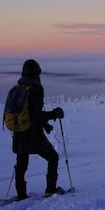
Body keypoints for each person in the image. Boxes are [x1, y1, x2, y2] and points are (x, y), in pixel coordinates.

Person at [12, 59, 65, 200]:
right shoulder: (36, 89)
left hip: (18, 132)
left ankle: (21, 195)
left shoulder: (19, 87)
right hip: (33, 134)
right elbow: (36, 115)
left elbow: (28, 113)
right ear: (36, 73)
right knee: (53, 157)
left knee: (22, 163)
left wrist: (46, 125)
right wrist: (54, 114)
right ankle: (50, 189)